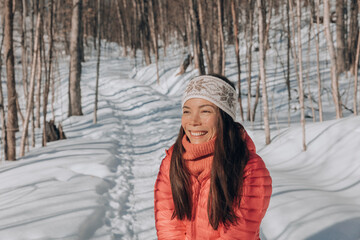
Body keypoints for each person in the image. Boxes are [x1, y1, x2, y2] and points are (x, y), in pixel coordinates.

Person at [154, 74, 272, 240]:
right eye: (187, 111)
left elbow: (238, 234)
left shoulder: (248, 167)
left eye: (205, 111)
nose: (193, 121)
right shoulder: (172, 161)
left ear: (225, 117)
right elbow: (169, 224)